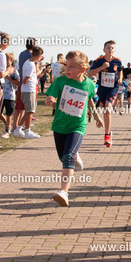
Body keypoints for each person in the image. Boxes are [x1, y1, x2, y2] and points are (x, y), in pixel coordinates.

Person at [46, 51, 103, 207]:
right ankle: (75, 157)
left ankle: (64, 192)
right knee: (63, 157)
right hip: (59, 126)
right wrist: (50, 99)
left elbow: (89, 100)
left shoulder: (89, 84)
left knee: (67, 157)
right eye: (67, 65)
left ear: (82, 69)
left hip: (77, 126)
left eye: (72, 66)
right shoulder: (60, 82)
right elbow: (50, 97)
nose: (68, 69)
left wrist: (97, 116)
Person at [88, 40, 123, 147]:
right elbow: (90, 73)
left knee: (107, 108)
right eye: (108, 48)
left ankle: (107, 134)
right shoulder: (99, 60)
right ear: (104, 49)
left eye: (112, 48)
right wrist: (102, 68)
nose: (110, 50)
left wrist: (120, 78)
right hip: (102, 89)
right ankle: (108, 132)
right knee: (105, 110)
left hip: (113, 88)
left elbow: (120, 70)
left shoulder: (117, 61)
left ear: (114, 50)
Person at [19, 47, 46, 139]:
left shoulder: (28, 62)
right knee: (30, 111)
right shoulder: (31, 65)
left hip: (27, 89)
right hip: (29, 90)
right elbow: (26, 79)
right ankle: (27, 130)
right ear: (39, 56)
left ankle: (19, 128)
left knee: (29, 111)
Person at [12, 38, 36, 137]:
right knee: (28, 109)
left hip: (22, 84)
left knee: (19, 107)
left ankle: (16, 127)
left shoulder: (22, 54)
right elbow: (35, 72)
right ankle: (21, 128)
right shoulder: (32, 58)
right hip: (28, 85)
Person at [0, 52, 19, 139]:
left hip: (9, 95)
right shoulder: (1, 69)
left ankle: (7, 130)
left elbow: (18, 83)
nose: (4, 61)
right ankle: (7, 123)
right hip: (1, 94)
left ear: (11, 60)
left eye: (6, 59)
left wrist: (9, 78)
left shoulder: (14, 70)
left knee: (9, 113)